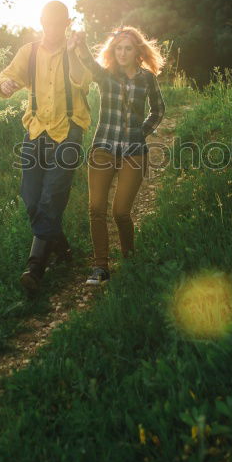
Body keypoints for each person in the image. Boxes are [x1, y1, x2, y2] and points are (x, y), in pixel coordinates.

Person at [0, 1, 93, 296]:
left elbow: (83, 81)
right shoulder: (30, 52)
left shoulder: (76, 50)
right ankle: (61, 248)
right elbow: (6, 78)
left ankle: (35, 267)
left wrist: (77, 51)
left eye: (59, 23)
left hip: (68, 131)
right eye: (48, 23)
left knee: (52, 197)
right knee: (30, 197)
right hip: (36, 131)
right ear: (41, 22)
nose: (53, 28)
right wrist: (7, 85)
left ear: (67, 23)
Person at [67, 26, 165, 285]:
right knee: (96, 208)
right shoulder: (106, 76)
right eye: (118, 48)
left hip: (134, 152)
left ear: (137, 52)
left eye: (128, 48)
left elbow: (158, 110)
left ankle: (130, 258)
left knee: (121, 212)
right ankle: (100, 267)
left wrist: (141, 132)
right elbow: (88, 61)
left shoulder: (147, 79)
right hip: (103, 149)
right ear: (114, 51)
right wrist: (82, 43)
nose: (122, 53)